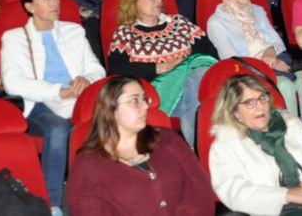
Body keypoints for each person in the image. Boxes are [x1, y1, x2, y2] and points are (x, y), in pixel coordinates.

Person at [0, 0, 106, 210]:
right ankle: (53, 203)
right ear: (29, 6)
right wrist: (57, 91)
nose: (55, 3)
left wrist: (85, 79)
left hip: (79, 99)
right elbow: (12, 83)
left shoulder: (74, 31)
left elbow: (97, 69)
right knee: (58, 129)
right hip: (40, 102)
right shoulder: (14, 38)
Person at [68, 76, 216, 216]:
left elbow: (199, 191)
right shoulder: (88, 166)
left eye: (145, 99)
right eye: (134, 100)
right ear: (110, 109)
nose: (145, 106)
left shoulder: (168, 139)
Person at [209, 73, 302, 216]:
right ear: (235, 112)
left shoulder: (291, 128)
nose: (260, 107)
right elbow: (236, 192)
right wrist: (288, 195)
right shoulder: (226, 144)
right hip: (275, 210)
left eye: (262, 98)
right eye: (249, 103)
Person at [106, 0, 217, 143]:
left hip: (192, 87)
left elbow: (209, 52)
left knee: (201, 73)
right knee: (197, 80)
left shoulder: (179, 23)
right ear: (133, 1)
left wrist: (183, 65)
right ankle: (202, 147)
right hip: (158, 94)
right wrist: (157, 68)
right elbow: (116, 68)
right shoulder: (126, 33)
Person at [206, 0, 302, 115]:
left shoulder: (257, 10)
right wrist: (267, 63)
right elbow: (232, 60)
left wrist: (270, 54)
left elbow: (277, 42)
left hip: (275, 59)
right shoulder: (216, 22)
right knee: (285, 85)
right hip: (249, 72)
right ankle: (291, 133)